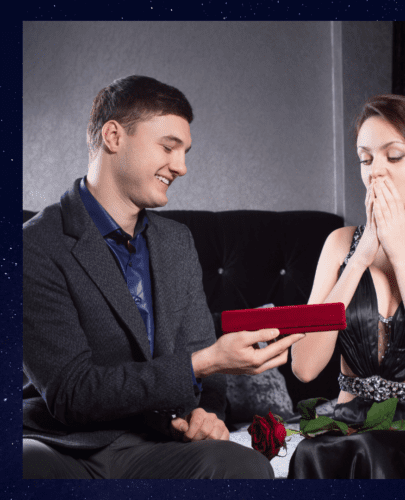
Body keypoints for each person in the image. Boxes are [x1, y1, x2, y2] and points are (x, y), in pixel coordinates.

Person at [23, 75, 305, 479]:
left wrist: (205, 414)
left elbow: (203, 367)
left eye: (186, 152)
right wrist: (202, 363)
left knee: (243, 466)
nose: (182, 167)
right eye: (169, 147)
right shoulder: (34, 244)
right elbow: (72, 393)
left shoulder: (177, 242)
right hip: (62, 445)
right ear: (114, 136)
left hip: (154, 444)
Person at [289, 94, 405, 479]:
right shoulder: (339, 244)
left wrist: (400, 254)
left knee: (369, 452)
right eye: (365, 158)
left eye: (394, 157)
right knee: (311, 453)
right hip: (351, 422)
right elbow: (305, 367)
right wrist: (359, 259)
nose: (376, 171)